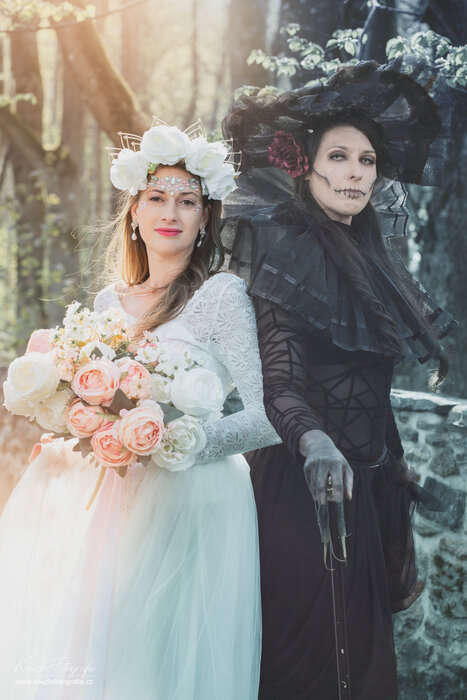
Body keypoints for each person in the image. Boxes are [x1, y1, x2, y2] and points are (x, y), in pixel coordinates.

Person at [0, 121, 280, 699]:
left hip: (194, 498)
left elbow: (267, 416)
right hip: (113, 497)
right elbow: (97, 397)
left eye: (187, 201)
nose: (170, 212)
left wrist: (176, 443)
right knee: (104, 653)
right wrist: (72, 421)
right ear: (134, 211)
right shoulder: (108, 302)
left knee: (164, 662)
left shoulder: (221, 296)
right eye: (156, 197)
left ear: (206, 218)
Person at [222, 59, 457, 699]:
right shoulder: (288, 257)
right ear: (307, 167)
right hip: (301, 485)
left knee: (364, 671)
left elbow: (373, 394)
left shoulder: (372, 261)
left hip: (367, 489)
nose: (355, 172)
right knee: (305, 670)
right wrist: (316, 443)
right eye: (340, 157)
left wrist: (396, 471)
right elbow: (280, 385)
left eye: (367, 161)